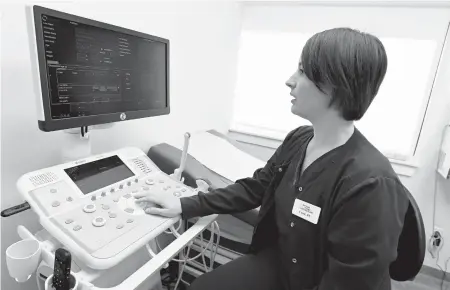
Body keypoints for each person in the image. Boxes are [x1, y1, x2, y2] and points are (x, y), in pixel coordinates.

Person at [134, 27, 410, 290]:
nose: (289, 80)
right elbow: (255, 188)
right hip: (281, 263)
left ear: (334, 86)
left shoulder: (371, 184)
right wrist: (184, 204)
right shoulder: (300, 139)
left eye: (302, 71)